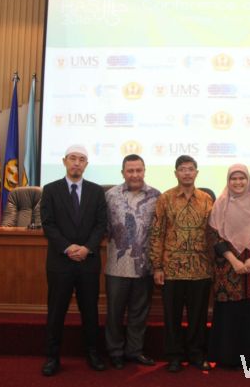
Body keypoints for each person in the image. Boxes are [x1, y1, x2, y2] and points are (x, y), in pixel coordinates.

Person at [40, 145, 107, 376]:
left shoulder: (97, 191)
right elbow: (48, 224)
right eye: (72, 158)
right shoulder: (50, 189)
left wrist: (87, 248)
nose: (77, 163)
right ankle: (52, 357)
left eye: (81, 159)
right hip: (60, 262)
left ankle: (93, 353)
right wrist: (68, 248)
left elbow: (101, 224)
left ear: (86, 164)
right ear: (64, 161)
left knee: (90, 311)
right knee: (56, 311)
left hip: (88, 262)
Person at [149, 155, 214, 373]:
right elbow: (157, 233)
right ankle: (174, 356)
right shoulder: (165, 198)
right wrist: (157, 266)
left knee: (198, 316)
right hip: (172, 268)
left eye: (190, 169)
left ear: (196, 173)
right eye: (182, 169)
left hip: (200, 268)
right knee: (172, 316)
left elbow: (213, 234)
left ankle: (197, 354)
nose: (187, 173)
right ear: (176, 173)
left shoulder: (206, 199)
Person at [207, 164, 250, 368]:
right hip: (228, 269)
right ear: (228, 181)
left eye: (242, 178)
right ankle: (229, 358)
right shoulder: (220, 204)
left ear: (248, 179)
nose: (238, 182)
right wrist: (233, 260)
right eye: (233, 179)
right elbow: (214, 236)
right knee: (230, 313)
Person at [104, 154, 160, 370]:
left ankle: (134, 352)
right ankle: (115, 352)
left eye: (139, 170)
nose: (135, 175)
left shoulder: (156, 196)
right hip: (116, 266)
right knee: (115, 313)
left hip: (144, 266)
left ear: (144, 171)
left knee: (139, 313)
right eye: (130, 171)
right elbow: (102, 227)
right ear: (123, 173)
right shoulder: (110, 196)